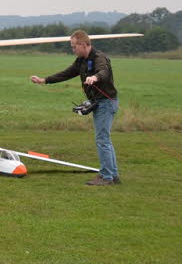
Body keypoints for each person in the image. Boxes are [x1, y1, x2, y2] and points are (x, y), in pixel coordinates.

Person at [30, 30, 121, 186]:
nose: (73, 50)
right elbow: (67, 73)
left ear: (84, 45)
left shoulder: (99, 57)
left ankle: (106, 177)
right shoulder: (81, 61)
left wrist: (95, 77)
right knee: (104, 139)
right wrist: (44, 80)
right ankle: (112, 175)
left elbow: (104, 71)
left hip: (106, 102)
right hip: (99, 103)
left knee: (102, 139)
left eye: (74, 47)